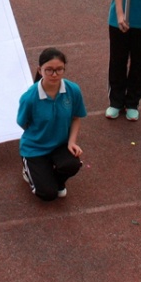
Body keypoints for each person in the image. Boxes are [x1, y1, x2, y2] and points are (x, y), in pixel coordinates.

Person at [17, 48, 87, 201]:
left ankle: (57, 180)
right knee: (48, 195)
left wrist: (72, 142)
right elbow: (23, 123)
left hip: (60, 144)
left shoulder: (73, 90)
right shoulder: (29, 98)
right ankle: (29, 171)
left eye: (59, 69)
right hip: (35, 148)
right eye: (49, 70)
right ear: (40, 70)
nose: (54, 74)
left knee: (72, 165)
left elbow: (76, 118)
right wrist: (40, 135)